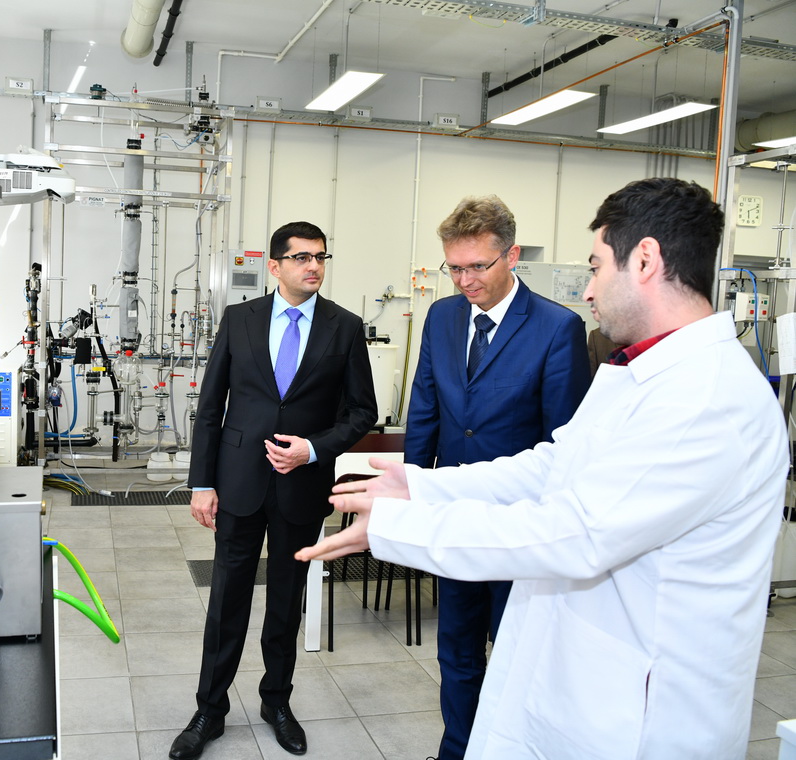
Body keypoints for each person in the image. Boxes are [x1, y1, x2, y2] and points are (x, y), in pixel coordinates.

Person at [297, 177, 788, 760]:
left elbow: (576, 533)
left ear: (646, 260)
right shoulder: (644, 375)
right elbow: (554, 462)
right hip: (593, 676)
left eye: (596, 267)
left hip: (645, 713)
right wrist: (424, 484)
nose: (589, 290)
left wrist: (399, 526)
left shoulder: (707, 400)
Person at [169, 221, 377, 759]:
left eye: (321, 257)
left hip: (302, 486)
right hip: (239, 482)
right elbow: (211, 406)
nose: (314, 266)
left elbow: (362, 412)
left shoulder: (345, 327)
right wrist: (202, 482)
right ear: (275, 265)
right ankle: (209, 710)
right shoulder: (240, 319)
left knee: (286, 603)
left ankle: (277, 703)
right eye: (302, 257)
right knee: (226, 601)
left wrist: (313, 449)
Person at [404, 195, 591, 760]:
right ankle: (457, 750)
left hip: (520, 528)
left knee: (517, 654)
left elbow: (564, 445)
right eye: (454, 268)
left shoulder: (557, 328)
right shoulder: (442, 317)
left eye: (477, 266)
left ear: (511, 256)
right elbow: (425, 407)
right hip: (455, 520)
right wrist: (412, 489)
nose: (464, 280)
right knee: (456, 651)